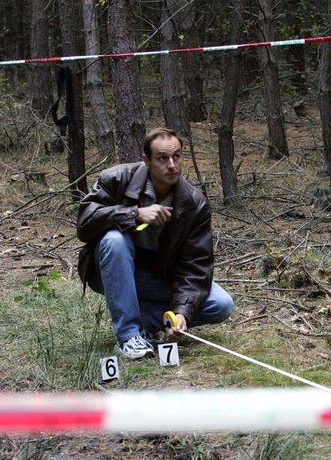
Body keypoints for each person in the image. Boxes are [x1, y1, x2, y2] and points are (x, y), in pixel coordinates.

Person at [76, 127, 233, 359]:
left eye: (176, 156)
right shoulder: (115, 179)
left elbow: (195, 266)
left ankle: (145, 323)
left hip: (158, 278)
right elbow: (85, 224)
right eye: (162, 158)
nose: (171, 165)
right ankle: (128, 336)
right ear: (146, 160)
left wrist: (182, 313)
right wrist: (134, 214)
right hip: (112, 272)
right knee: (114, 239)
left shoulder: (195, 203)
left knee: (221, 304)